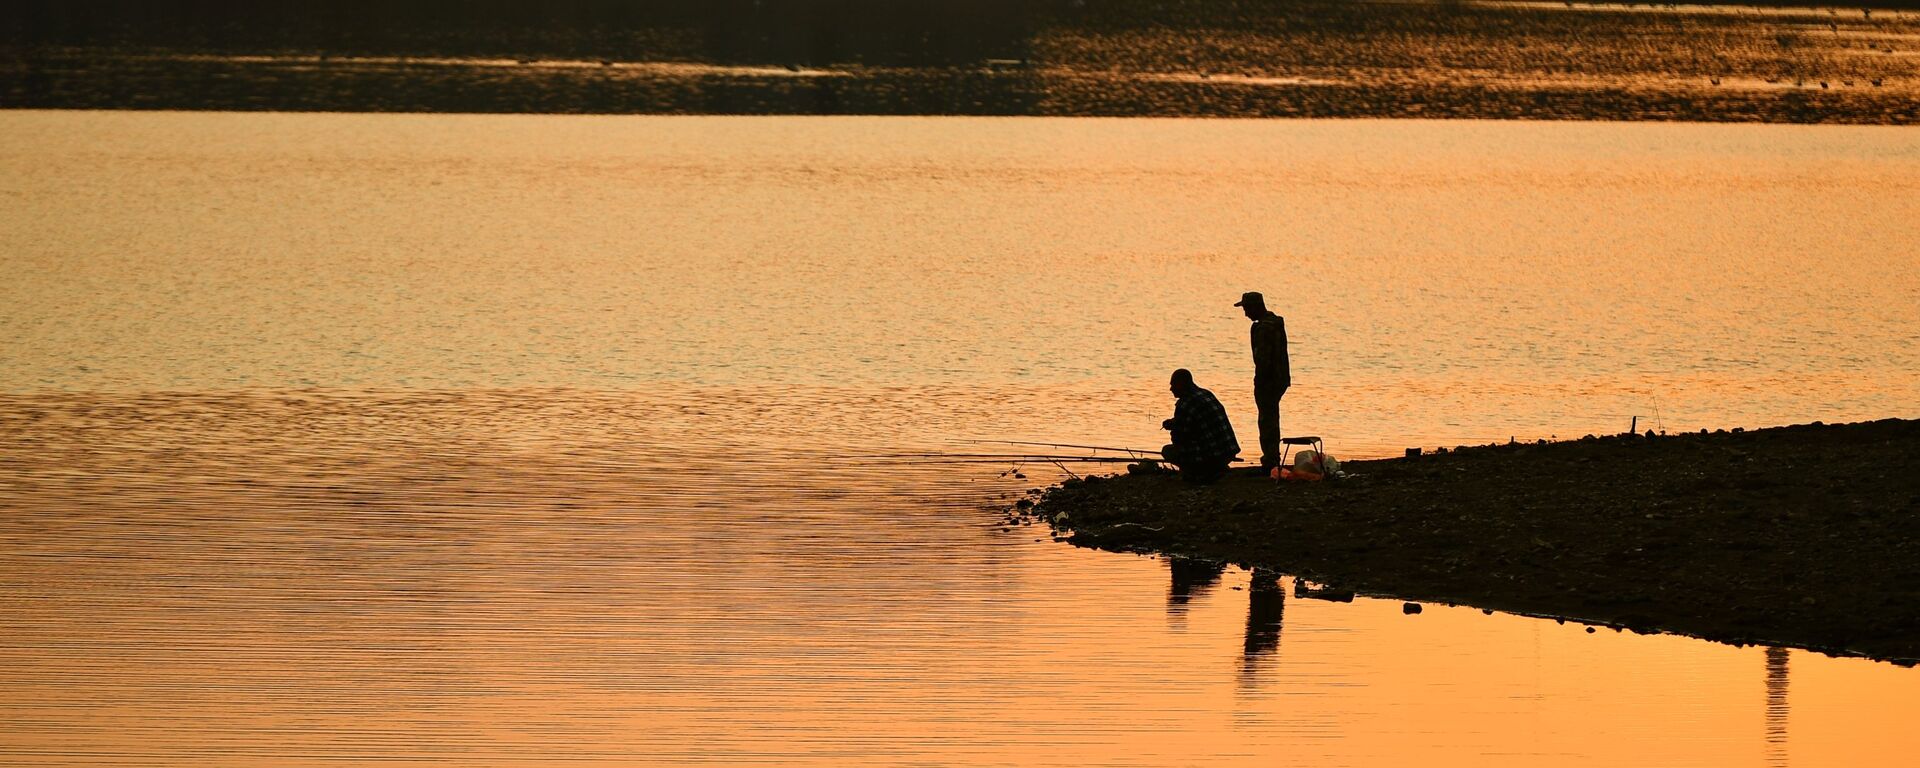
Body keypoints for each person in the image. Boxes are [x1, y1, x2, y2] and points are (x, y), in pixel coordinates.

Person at [1235, 291, 1290, 471]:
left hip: (1268, 381)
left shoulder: (1263, 328)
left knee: (1267, 420)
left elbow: (1263, 360)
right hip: (1281, 378)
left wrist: (1261, 382)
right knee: (1271, 417)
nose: (1245, 313)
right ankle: (1272, 457)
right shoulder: (1275, 322)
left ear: (1254, 307)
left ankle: (1270, 460)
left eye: (1246, 309)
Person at [1159, 369, 1240, 483]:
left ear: (1181, 384)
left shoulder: (1184, 403)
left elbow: (1180, 439)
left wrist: (1174, 429)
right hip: (1228, 452)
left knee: (1167, 451)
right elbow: (1197, 419)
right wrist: (1175, 422)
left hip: (1212, 455)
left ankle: (1199, 471)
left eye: (1173, 385)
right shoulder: (1206, 393)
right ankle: (1217, 467)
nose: (1171, 389)